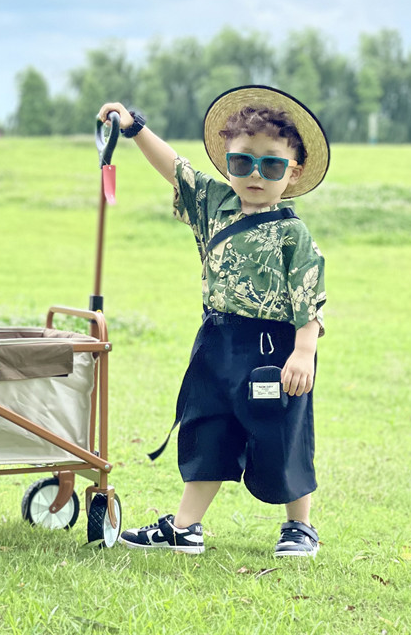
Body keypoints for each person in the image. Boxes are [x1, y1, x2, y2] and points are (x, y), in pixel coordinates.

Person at [97, 85, 329, 558]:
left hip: (274, 349)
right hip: (217, 340)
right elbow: (175, 168)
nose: (255, 174)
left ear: (293, 172)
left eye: (272, 165)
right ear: (227, 163)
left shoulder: (293, 233)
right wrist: (135, 128)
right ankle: (186, 529)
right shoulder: (214, 204)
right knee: (207, 428)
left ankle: (300, 526)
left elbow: (310, 296)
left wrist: (304, 352)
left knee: (281, 433)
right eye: (242, 162)